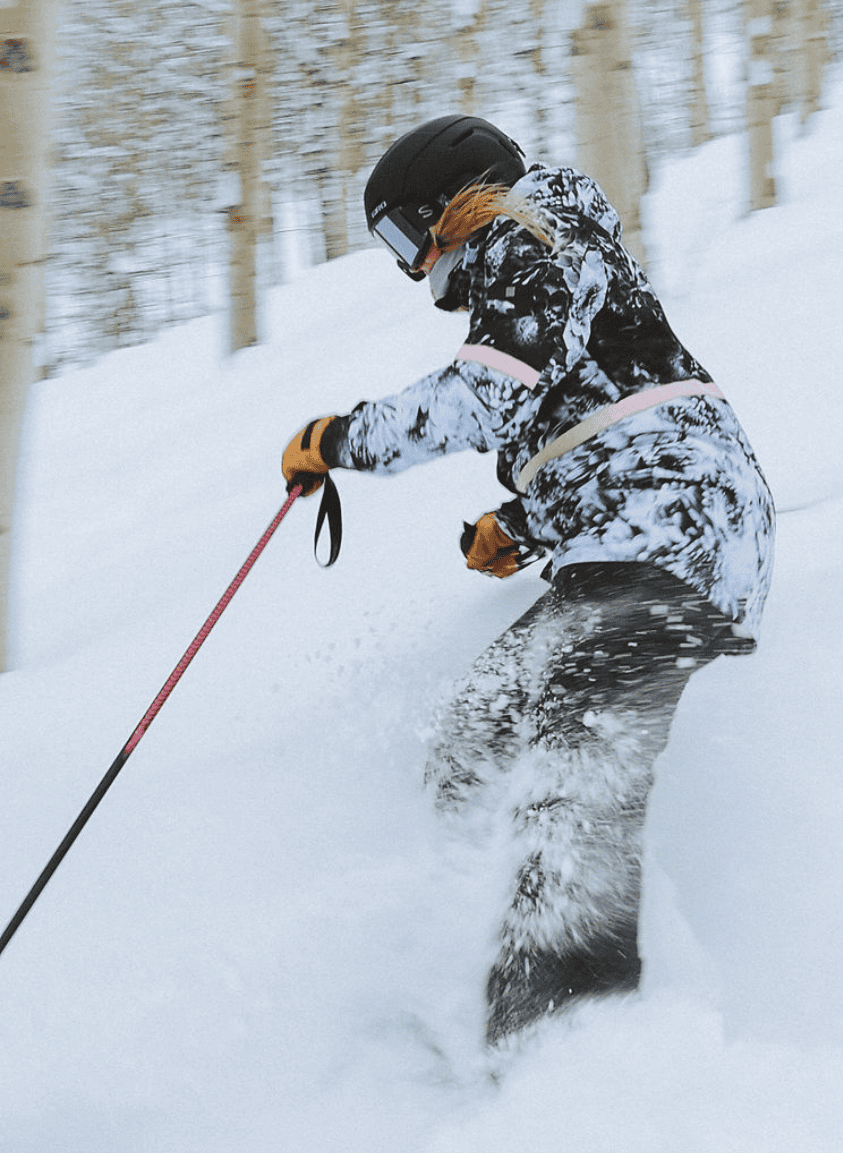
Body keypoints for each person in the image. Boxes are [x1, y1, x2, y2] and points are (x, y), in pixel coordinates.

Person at [281, 115, 775, 1047]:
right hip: (647, 526)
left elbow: (484, 393)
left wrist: (343, 438)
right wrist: (523, 524)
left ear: (447, 206)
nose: (407, 264)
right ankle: (442, 956)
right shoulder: (541, 262)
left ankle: (568, 1043)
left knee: (576, 761)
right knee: (475, 734)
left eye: (401, 235)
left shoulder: (535, 234)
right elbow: (599, 401)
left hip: (672, 528)